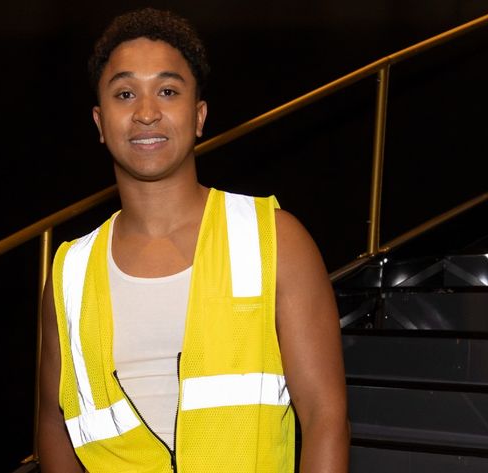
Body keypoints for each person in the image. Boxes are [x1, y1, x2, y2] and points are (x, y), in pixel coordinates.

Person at [37, 8, 348, 472]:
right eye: (126, 93)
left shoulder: (274, 238)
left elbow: (326, 418)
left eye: (167, 91)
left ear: (198, 115)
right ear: (100, 123)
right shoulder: (69, 274)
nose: (146, 112)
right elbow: (54, 424)